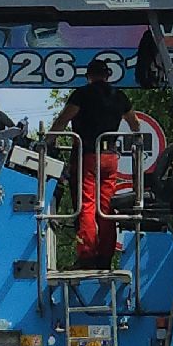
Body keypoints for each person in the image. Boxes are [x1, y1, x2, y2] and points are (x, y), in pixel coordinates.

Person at [50, 54, 137, 268]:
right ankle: (105, 257)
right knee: (106, 208)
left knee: (87, 205)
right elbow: (134, 124)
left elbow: (64, 119)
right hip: (110, 157)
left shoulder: (82, 94)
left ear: (89, 76)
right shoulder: (120, 96)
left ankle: (87, 256)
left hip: (88, 156)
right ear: (107, 75)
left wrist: (48, 141)